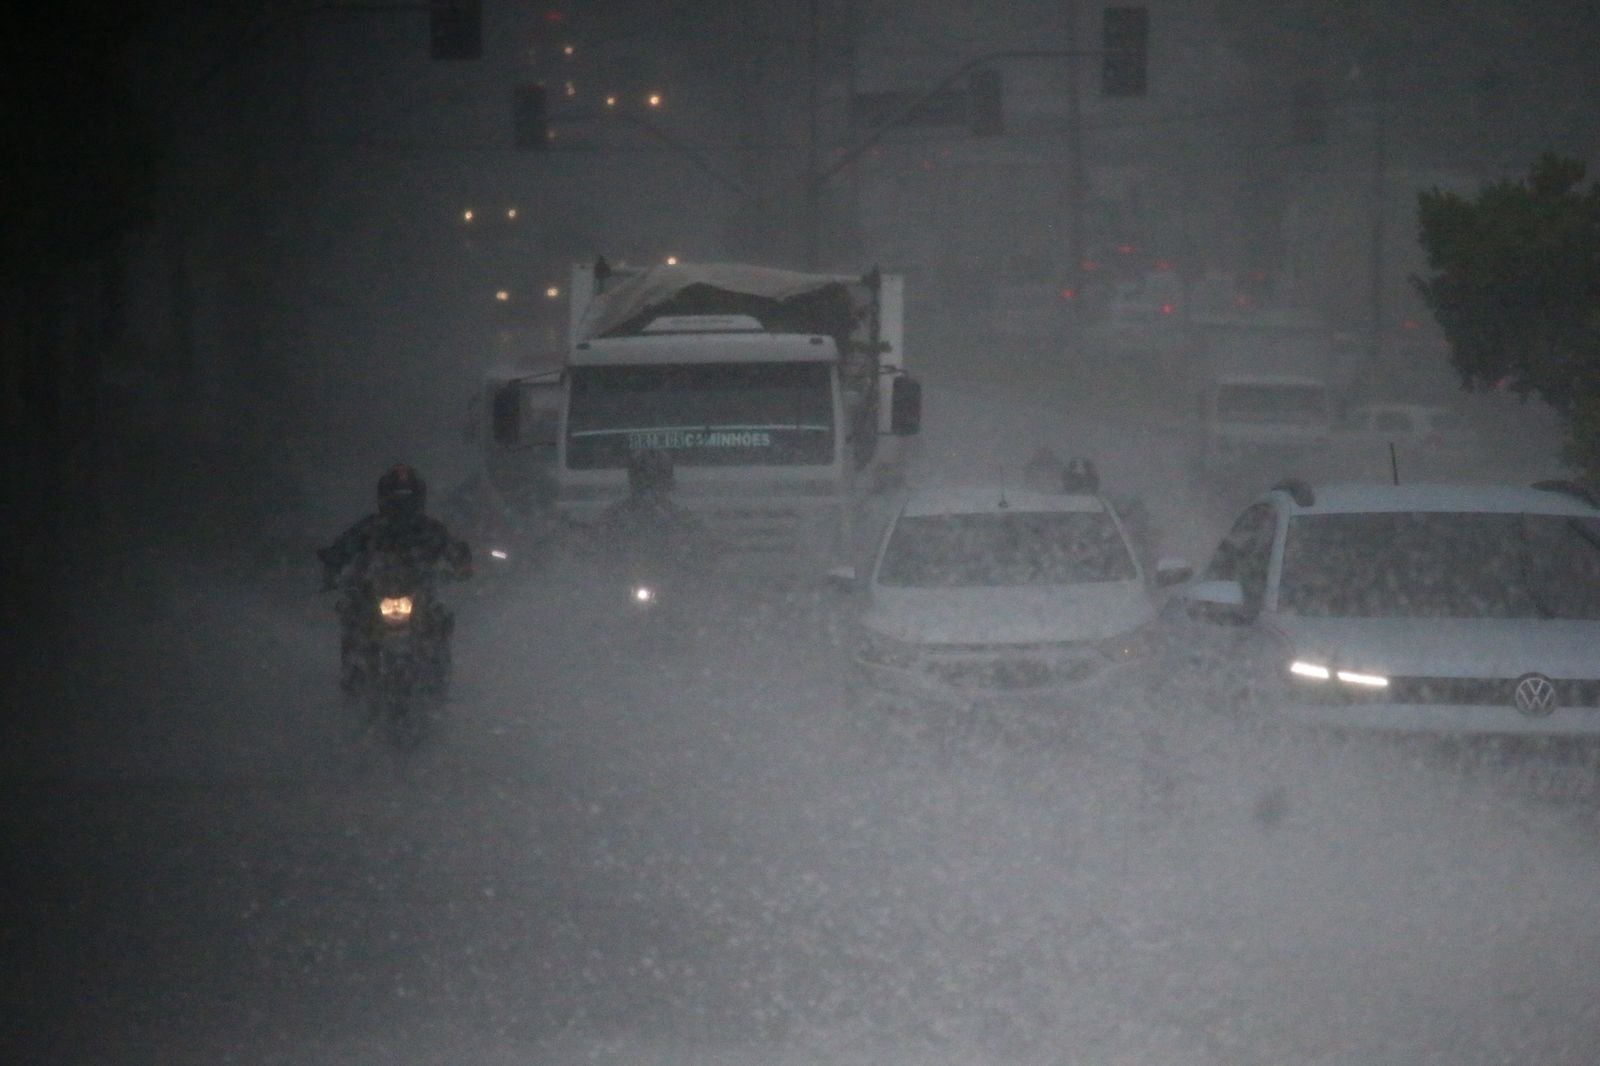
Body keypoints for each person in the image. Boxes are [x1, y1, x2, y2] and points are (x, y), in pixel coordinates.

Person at [319, 463, 472, 692]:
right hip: (374, 592)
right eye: (397, 499)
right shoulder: (370, 528)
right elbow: (342, 549)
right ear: (384, 498)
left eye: (407, 499)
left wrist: (461, 564)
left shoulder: (429, 530)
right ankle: (354, 678)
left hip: (418, 595)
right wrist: (332, 565)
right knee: (352, 617)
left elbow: (452, 550)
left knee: (439, 620)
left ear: (418, 498)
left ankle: (437, 679)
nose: (402, 506)